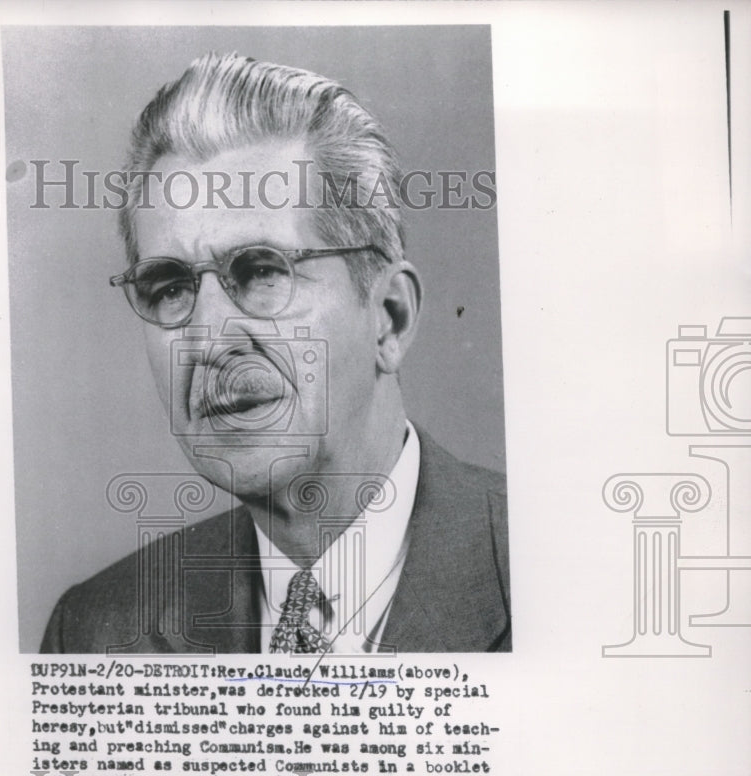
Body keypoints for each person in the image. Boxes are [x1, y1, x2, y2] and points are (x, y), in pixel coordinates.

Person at [41, 52, 510, 654]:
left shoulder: (557, 574)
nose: (208, 337)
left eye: (262, 271)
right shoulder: (92, 631)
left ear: (389, 318)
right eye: (171, 287)